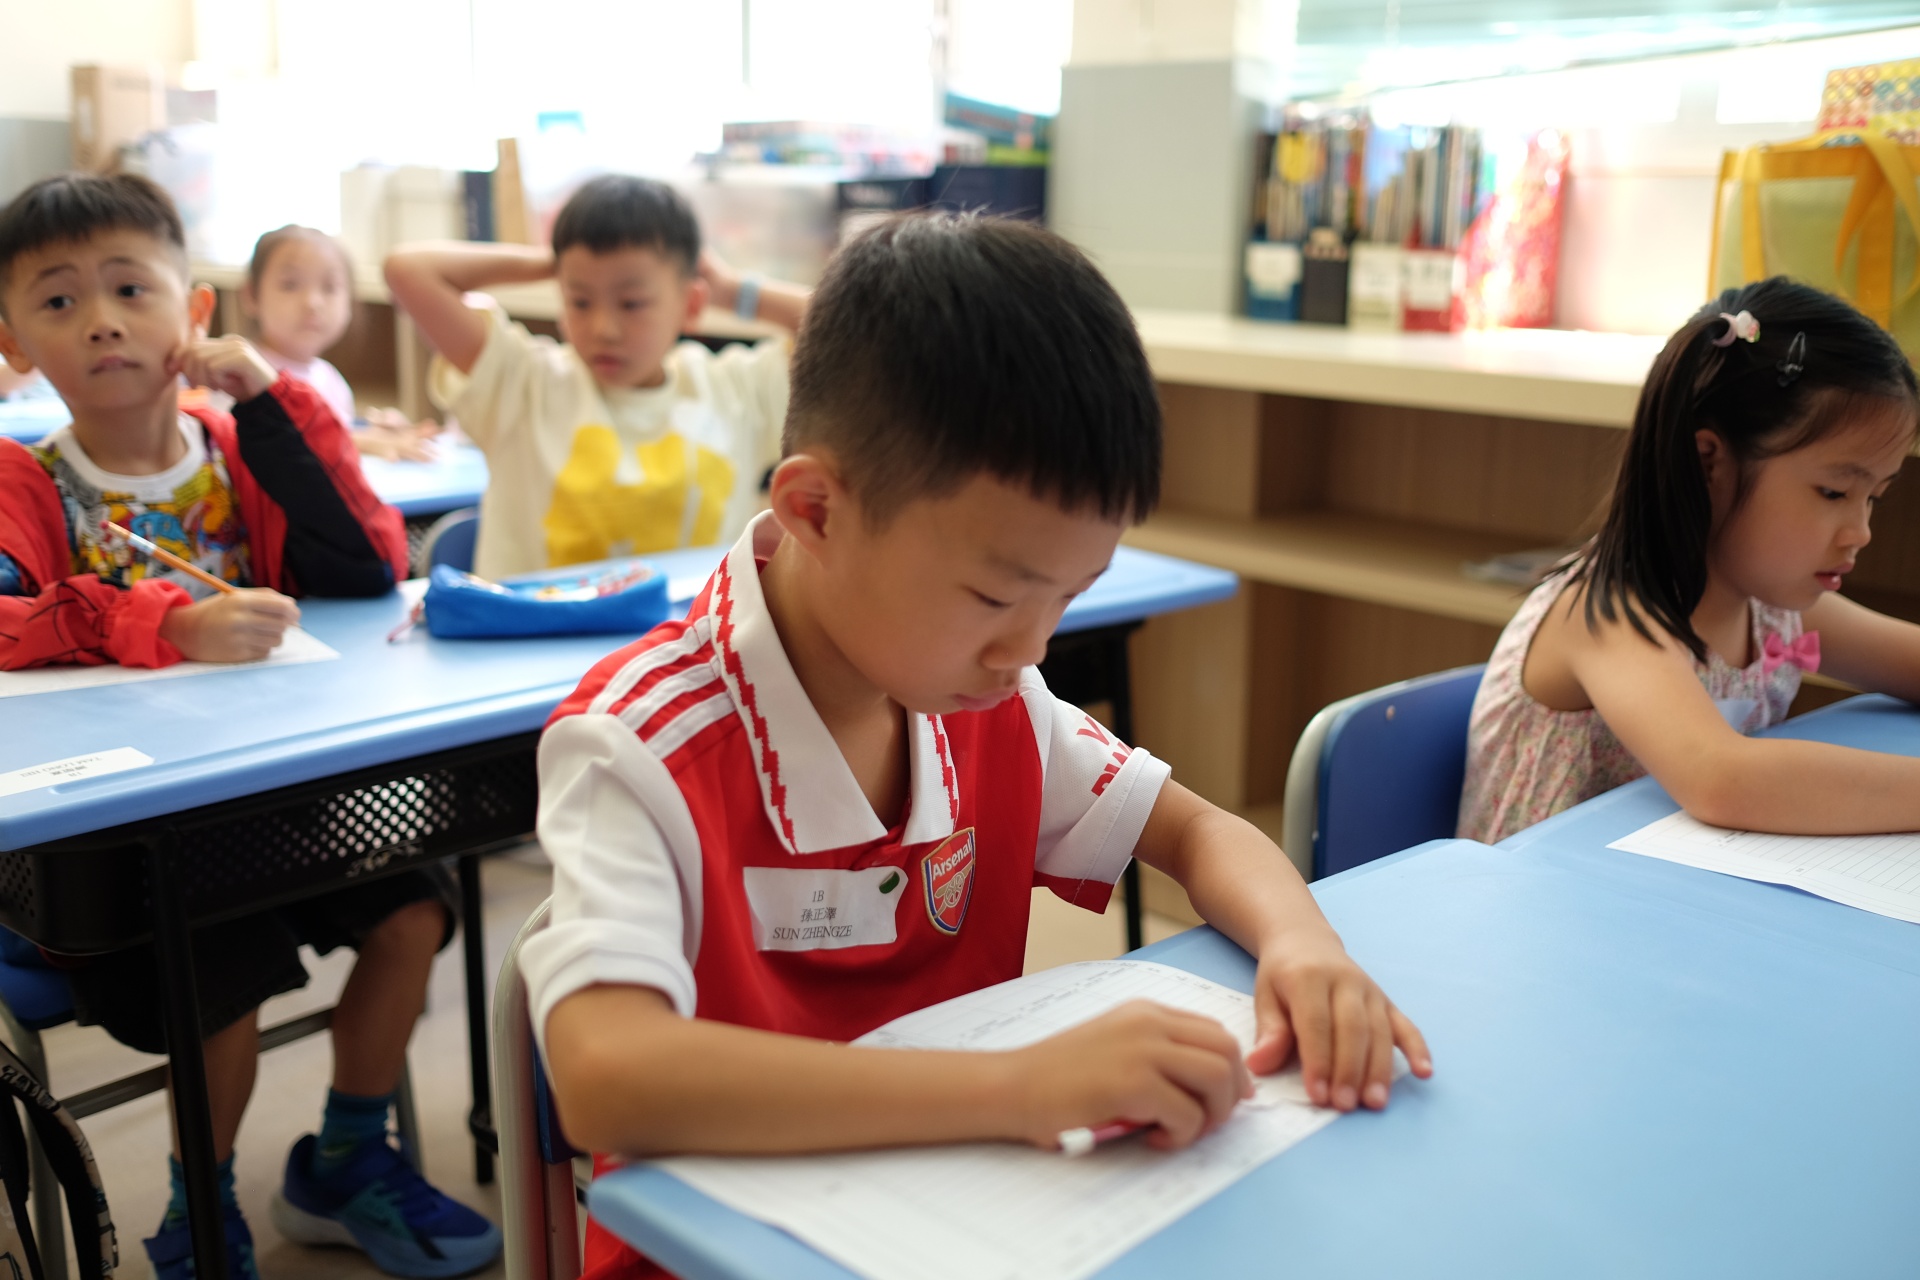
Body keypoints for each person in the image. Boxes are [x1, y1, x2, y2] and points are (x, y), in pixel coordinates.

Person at [526, 213, 1434, 1280]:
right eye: (997, 597)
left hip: (976, 1222)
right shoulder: (637, 745)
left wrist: (1303, 947)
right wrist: (1020, 1087)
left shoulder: (984, 697)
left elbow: (1196, 832)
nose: (1030, 649)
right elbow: (605, 1075)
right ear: (816, 510)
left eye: (1069, 597)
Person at [0, 173, 501, 1280]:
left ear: (196, 312)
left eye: (131, 288)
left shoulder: (240, 447)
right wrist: (163, 622)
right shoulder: (23, 482)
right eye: (59, 300)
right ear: (15, 342)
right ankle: (201, 1208)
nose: (102, 320)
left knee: (416, 908)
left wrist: (277, 404)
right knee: (218, 976)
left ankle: (343, 1160)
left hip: (269, 802)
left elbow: (369, 564)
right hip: (118, 844)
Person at [1459, 277, 1920, 845]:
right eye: (1834, 492)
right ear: (1708, 462)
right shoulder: (1608, 613)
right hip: (1538, 894)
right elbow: (1722, 778)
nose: (1861, 532)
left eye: (1874, 498)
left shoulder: (1773, 610)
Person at [384, 174, 811, 579]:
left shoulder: (735, 391)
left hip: (691, 632)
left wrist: (731, 290)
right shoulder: (523, 382)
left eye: (632, 303)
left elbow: (844, 325)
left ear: (691, 303)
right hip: (539, 630)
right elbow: (409, 271)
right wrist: (554, 260)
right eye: (580, 301)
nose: (604, 328)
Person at [242, 224, 442, 462]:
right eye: (290, 285)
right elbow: (280, 444)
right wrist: (364, 442)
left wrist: (374, 429)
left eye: (329, 287)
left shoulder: (329, 378)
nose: (312, 302)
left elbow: (332, 431)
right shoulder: (243, 370)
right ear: (251, 295)